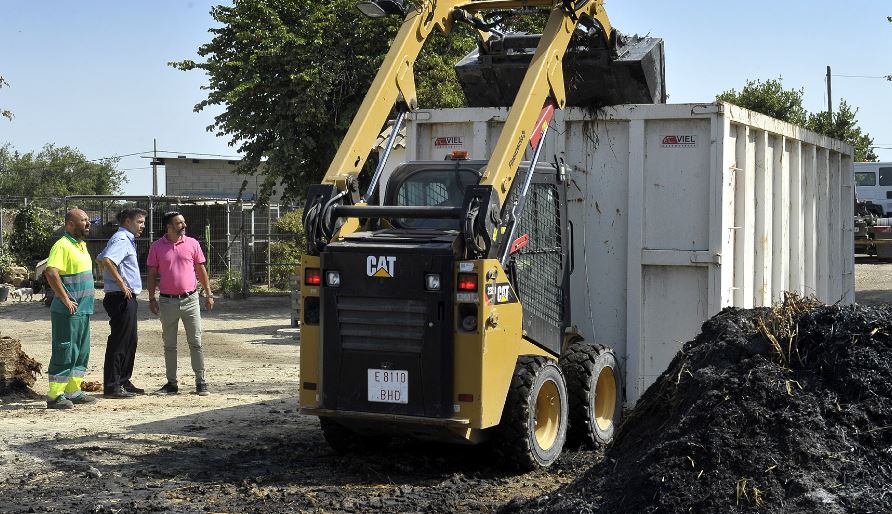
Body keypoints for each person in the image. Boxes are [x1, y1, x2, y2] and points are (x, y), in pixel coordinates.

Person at [147, 211, 214, 396]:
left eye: (184, 222)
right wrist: (151, 298)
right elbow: (152, 274)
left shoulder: (192, 243)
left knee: (196, 341)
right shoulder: (157, 247)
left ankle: (201, 382)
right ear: (169, 227)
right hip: (167, 301)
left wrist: (209, 294)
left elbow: (201, 269)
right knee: (169, 344)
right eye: (179, 223)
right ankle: (171, 384)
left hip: (191, 299)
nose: (184, 225)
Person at [43, 208, 98, 409]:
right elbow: (51, 272)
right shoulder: (62, 245)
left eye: (88, 219)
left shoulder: (81, 245)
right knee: (64, 351)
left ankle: (73, 391)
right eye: (83, 220)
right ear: (70, 224)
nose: (88, 223)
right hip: (67, 311)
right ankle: (55, 396)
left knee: (80, 352)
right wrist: (64, 298)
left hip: (83, 310)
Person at [96, 207, 147, 399]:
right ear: (127, 222)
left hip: (125, 296)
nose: (143, 226)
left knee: (130, 340)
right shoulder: (121, 239)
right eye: (139, 222)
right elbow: (108, 260)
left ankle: (124, 380)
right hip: (120, 296)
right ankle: (112, 386)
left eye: (143, 222)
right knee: (119, 341)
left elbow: (99, 258)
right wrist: (120, 283)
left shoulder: (124, 239)